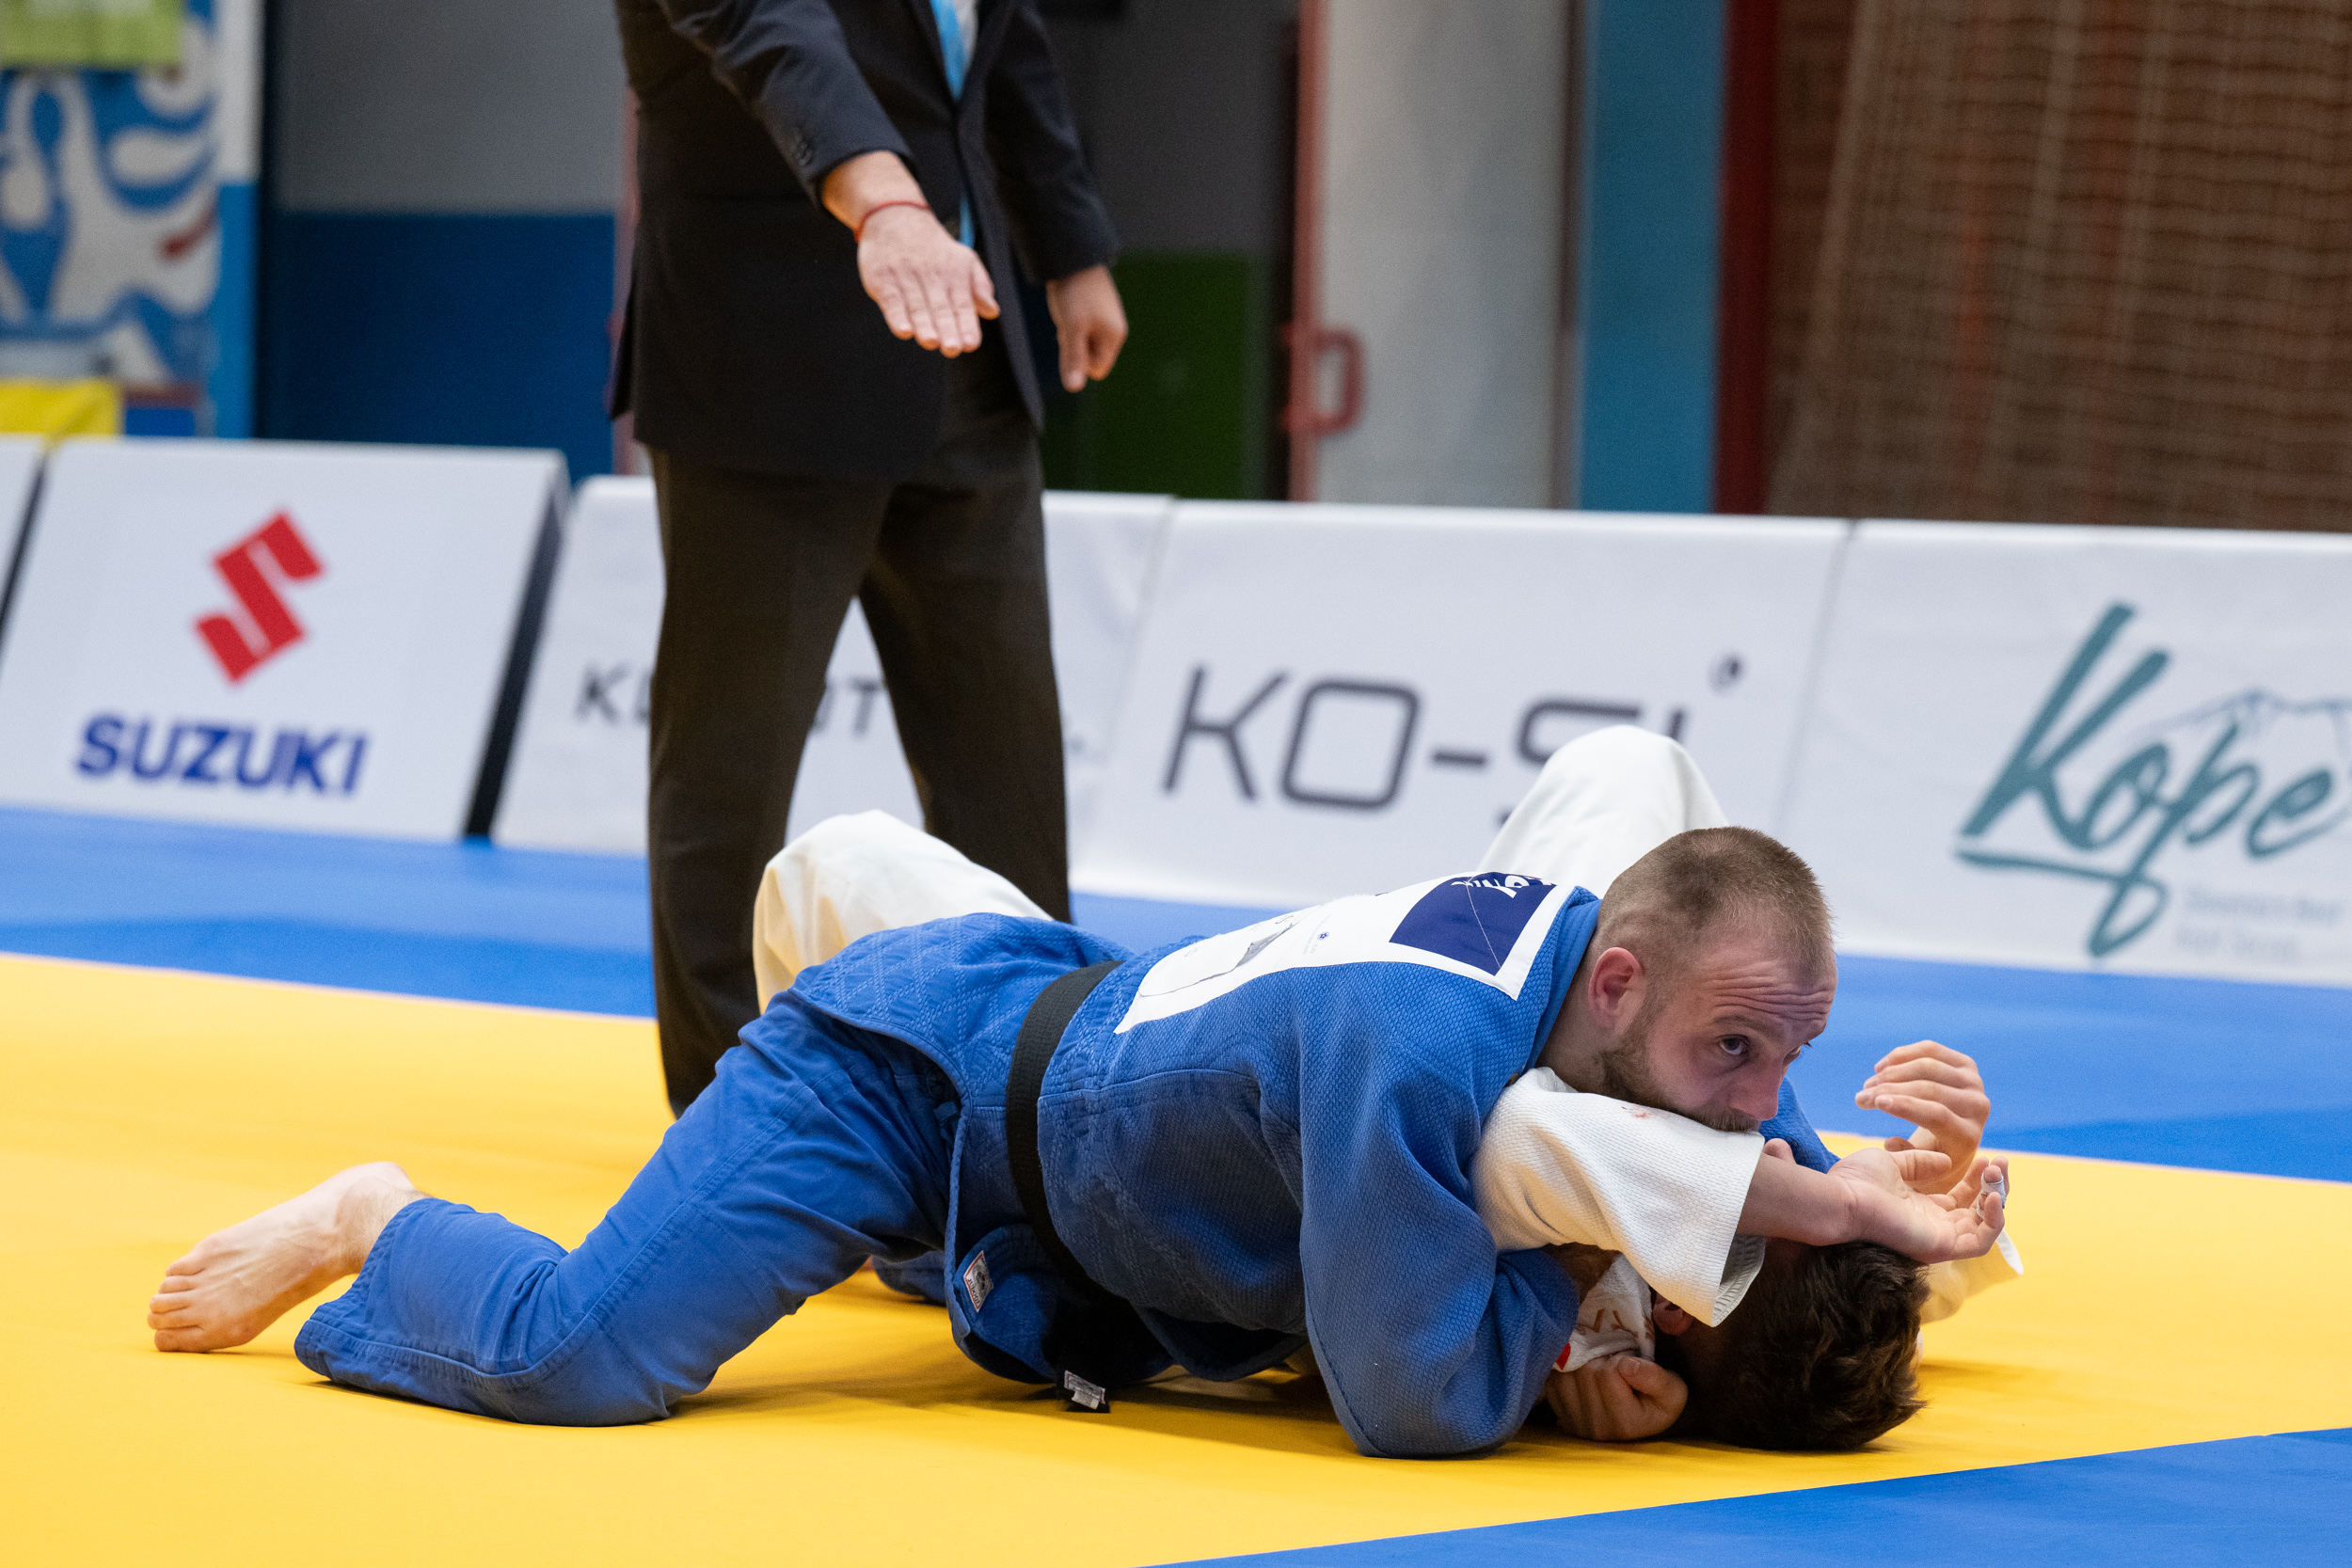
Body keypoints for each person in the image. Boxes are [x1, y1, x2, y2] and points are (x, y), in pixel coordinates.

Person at [144, 732, 2004, 1459]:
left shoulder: (1653, 1069)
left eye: (1778, 1090)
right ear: (1619, 981)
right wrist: (1550, 1338)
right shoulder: (1442, 1063)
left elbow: (1774, 1228)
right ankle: (378, 1217)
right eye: (1740, 1065)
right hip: (910, 1077)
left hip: (1087, 1116)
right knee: (585, 1354)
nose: (1759, 1114)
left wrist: (1928, 1207)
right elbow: (1406, 1403)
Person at [611, 0, 1128, 1113]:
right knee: (731, 767)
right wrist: (884, 199)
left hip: (967, 354)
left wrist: (1071, 246)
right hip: (766, 364)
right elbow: (767, 22)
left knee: (1006, 763)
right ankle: (729, 1112)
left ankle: (1035, 1100)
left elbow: (1003, 46)